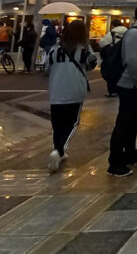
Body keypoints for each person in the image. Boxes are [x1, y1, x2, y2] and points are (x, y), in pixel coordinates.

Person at [107, 3, 137, 177]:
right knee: (124, 123)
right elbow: (131, 59)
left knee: (133, 121)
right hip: (130, 85)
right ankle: (114, 162)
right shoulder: (135, 33)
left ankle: (130, 153)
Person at [46, 20, 96, 173]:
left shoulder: (54, 50)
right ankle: (59, 150)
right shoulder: (84, 50)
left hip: (55, 90)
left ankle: (57, 150)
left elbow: (47, 68)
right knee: (72, 123)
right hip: (75, 90)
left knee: (57, 123)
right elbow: (91, 64)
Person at [98, 25, 128, 97]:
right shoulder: (126, 32)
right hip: (120, 58)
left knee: (111, 74)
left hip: (111, 58)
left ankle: (112, 91)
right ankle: (117, 90)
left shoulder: (112, 33)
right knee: (118, 74)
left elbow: (102, 43)